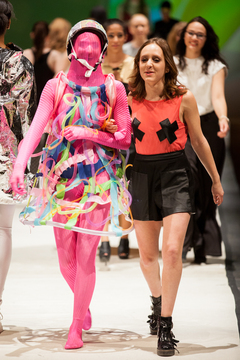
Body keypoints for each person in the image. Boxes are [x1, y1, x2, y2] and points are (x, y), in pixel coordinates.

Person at [10, 19, 131, 349]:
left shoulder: (113, 88)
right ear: (71, 49)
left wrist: (90, 133)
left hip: (98, 179)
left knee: (87, 256)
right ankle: (83, 301)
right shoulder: (55, 86)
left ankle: (75, 325)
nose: (89, 51)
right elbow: (35, 129)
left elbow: (124, 138)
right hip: (60, 179)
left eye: (95, 46)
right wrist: (20, 165)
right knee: (66, 259)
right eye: (83, 45)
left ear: (104, 50)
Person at [127, 37, 224, 356]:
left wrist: (215, 179)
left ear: (167, 64)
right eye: (144, 59)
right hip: (140, 176)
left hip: (176, 175)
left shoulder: (183, 98)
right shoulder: (129, 99)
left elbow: (198, 141)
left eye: (156, 59)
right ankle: (157, 300)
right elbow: (118, 142)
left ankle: (165, 325)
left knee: (171, 251)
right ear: (137, 65)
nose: (149, 65)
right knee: (146, 258)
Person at [174, 16, 229, 263]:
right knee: (189, 180)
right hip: (181, 127)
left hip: (208, 124)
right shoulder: (172, 63)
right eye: (191, 33)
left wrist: (223, 117)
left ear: (207, 39)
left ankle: (202, 242)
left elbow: (217, 96)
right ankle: (188, 240)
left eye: (200, 34)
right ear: (183, 35)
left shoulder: (216, 65)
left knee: (208, 183)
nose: (194, 38)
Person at [0, 0, 34, 332]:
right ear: (8, 24)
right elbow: (24, 114)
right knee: (2, 230)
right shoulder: (19, 63)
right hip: (5, 150)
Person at [100, 18, 135, 261]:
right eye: (110, 35)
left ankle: (124, 236)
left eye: (118, 35)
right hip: (100, 132)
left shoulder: (134, 64)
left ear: (125, 37)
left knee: (125, 183)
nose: (114, 40)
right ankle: (102, 238)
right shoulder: (95, 65)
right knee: (100, 184)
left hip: (128, 131)